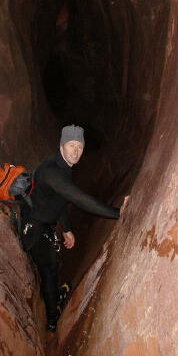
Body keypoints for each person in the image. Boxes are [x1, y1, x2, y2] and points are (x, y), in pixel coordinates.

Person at [21, 124, 121, 333]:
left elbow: (59, 198)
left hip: (44, 223)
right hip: (34, 230)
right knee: (48, 271)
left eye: (80, 147)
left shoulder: (63, 166)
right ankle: (51, 319)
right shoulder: (51, 171)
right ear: (61, 146)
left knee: (53, 265)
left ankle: (54, 296)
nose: (76, 151)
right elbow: (78, 198)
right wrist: (118, 213)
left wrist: (66, 228)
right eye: (72, 145)